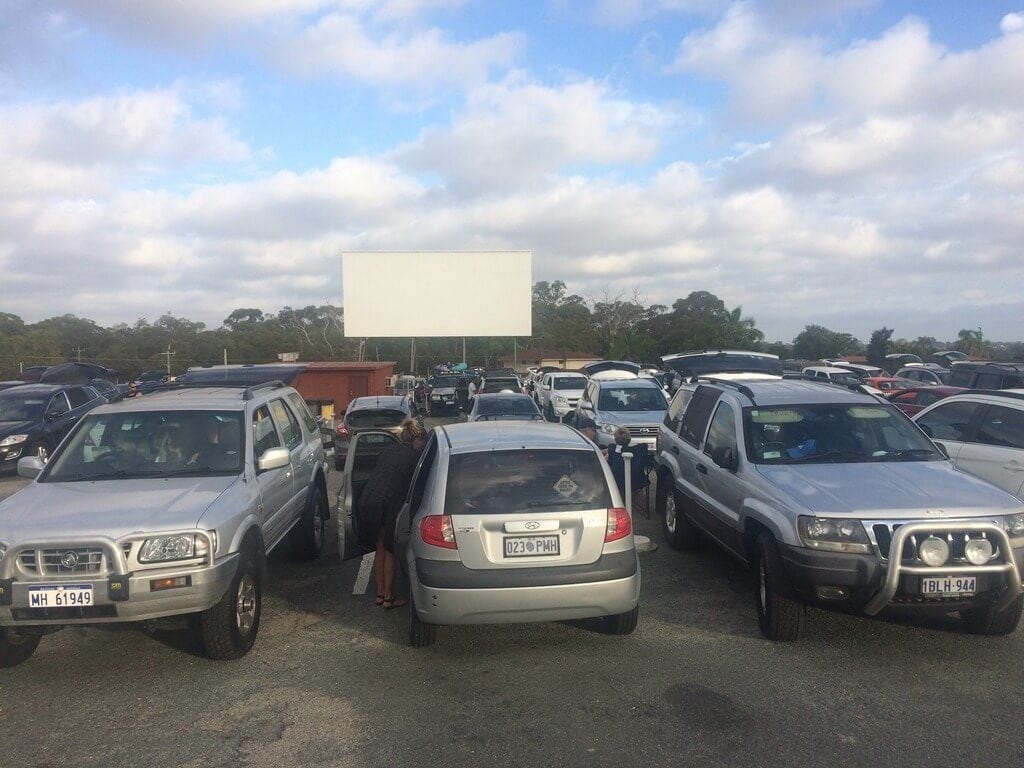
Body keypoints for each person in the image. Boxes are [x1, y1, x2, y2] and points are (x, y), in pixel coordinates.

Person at [356, 419, 427, 609]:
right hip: (389, 504)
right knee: (390, 551)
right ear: (418, 439)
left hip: (369, 500)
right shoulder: (415, 457)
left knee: (379, 548)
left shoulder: (388, 451)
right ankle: (389, 597)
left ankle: (380, 594)